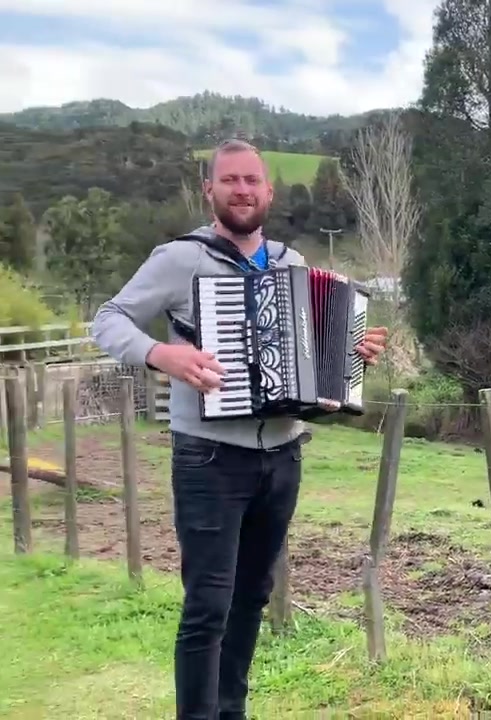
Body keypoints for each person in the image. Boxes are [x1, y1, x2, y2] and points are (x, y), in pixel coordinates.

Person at [90, 138, 388, 719]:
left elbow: (318, 361)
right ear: (211, 190)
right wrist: (162, 355)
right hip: (208, 458)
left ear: (268, 191)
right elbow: (108, 320)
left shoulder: (291, 264)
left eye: (253, 180)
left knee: (252, 597)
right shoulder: (180, 259)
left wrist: (353, 353)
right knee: (208, 605)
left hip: (282, 457)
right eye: (230, 180)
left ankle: (233, 712)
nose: (243, 190)